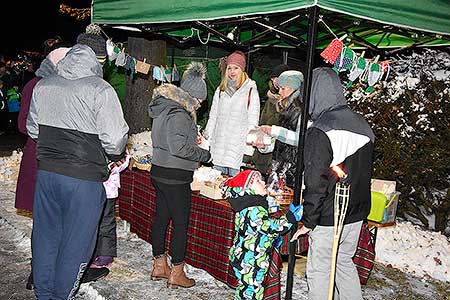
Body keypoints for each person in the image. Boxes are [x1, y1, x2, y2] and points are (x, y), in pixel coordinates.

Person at [26, 27, 129, 299]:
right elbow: (116, 141)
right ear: (100, 60)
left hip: (47, 175)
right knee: (78, 244)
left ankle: (44, 294)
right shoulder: (100, 89)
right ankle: (61, 296)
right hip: (84, 179)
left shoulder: (44, 85)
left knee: (46, 237)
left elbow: (33, 129)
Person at [290, 67, 375, 300]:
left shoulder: (321, 129)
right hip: (356, 212)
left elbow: (316, 181)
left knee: (321, 269)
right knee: (343, 263)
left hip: (331, 214)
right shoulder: (363, 124)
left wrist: (309, 220)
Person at [148, 61, 212, 288]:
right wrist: (204, 154)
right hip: (175, 175)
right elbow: (179, 148)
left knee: (161, 218)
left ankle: (159, 265)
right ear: (192, 96)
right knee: (181, 224)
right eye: (201, 101)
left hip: (159, 171)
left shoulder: (163, 107)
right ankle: (176, 272)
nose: (201, 105)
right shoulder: (180, 114)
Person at [222, 169, 303, 300]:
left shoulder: (248, 204)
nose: (263, 182)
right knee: (253, 292)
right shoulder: (253, 209)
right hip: (251, 259)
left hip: (246, 256)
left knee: (246, 290)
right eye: (258, 181)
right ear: (248, 188)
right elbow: (270, 227)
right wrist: (290, 218)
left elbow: (258, 228)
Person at [16, 44, 72, 214]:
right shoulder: (34, 86)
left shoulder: (68, 87)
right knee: (44, 212)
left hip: (60, 157)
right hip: (40, 154)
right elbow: (23, 123)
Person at [204, 50, 260, 176]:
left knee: (235, 190)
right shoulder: (220, 90)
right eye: (229, 68)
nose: (232, 72)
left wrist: (248, 151)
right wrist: (207, 140)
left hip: (237, 152)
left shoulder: (250, 91)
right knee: (215, 189)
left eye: (236, 68)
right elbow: (213, 117)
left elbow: (252, 123)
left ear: (242, 69)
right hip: (218, 150)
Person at [256, 70, 304, 188]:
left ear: (294, 89)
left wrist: (274, 131)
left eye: (283, 88)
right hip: (280, 169)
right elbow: (281, 142)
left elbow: (300, 139)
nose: (280, 92)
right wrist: (265, 146)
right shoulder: (285, 109)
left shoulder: (300, 110)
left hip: (294, 171)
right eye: (279, 88)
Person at [251, 64, 290, 175]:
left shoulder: (291, 104)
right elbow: (262, 123)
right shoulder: (271, 100)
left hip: (277, 160)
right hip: (262, 155)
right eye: (273, 80)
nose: (275, 83)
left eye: (277, 80)